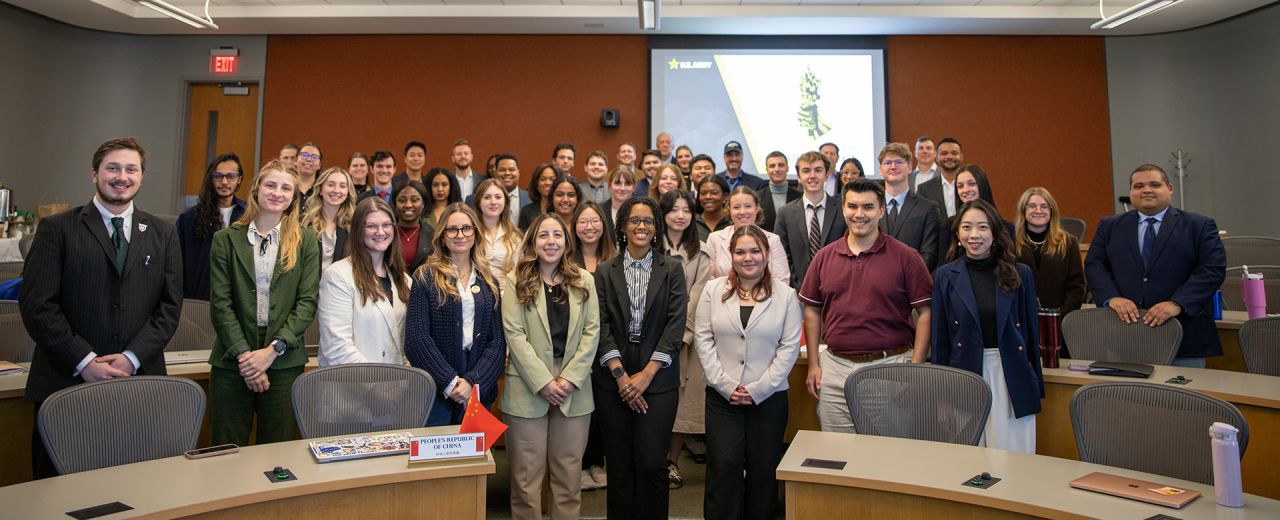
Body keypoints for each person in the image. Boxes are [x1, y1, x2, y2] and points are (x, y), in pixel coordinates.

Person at [21, 137, 183, 479]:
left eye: (131, 169)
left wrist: (132, 357)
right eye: (112, 168)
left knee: (132, 488)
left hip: (138, 383)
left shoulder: (163, 233)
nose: (121, 176)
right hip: (66, 384)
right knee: (57, 493)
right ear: (94, 174)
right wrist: (84, 361)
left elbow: (168, 309)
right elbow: (38, 306)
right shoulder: (57, 229)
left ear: (141, 177)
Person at [800, 179, 932, 433]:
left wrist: (916, 369)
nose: (859, 214)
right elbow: (812, 310)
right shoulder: (824, 257)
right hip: (835, 371)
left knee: (889, 457)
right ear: (843, 209)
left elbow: (926, 312)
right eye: (852, 206)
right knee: (838, 455)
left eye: (868, 207)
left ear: (881, 210)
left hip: (890, 369)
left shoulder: (906, 257)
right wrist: (814, 364)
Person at [208, 159, 319, 446]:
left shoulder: (306, 241)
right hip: (233, 360)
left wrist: (271, 352)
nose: (277, 193)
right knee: (226, 448)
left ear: (293, 198)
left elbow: (306, 303)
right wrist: (247, 359)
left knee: (277, 451)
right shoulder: (225, 239)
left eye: (286, 188)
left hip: (283, 361)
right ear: (257, 189)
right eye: (271, 184)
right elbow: (221, 304)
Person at [694, 225, 801, 520]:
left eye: (755, 251)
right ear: (731, 256)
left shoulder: (786, 296)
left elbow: (789, 348)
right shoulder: (713, 290)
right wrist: (725, 385)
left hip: (768, 399)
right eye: (740, 252)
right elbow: (703, 339)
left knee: (763, 471)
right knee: (723, 467)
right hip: (722, 398)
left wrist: (757, 390)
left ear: (767, 254)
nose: (748, 258)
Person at [592, 197, 688, 520]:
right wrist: (622, 377)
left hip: (658, 383)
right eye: (635, 220)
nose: (641, 226)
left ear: (657, 227)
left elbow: (675, 326)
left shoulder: (672, 269)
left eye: (648, 221)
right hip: (612, 384)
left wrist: (646, 375)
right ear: (622, 227)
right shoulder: (604, 272)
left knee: (650, 463)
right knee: (619, 466)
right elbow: (600, 325)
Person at [501, 213, 600, 520]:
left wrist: (569, 378)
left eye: (557, 235)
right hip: (527, 387)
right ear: (532, 241)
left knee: (568, 480)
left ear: (566, 241)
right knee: (525, 481)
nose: (551, 241)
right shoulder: (515, 280)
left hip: (575, 388)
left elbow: (591, 332)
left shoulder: (585, 280)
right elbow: (514, 335)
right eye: (543, 235)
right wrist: (543, 381)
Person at [1085, 164, 1227, 367]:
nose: (1146, 190)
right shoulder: (1109, 226)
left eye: (1154, 184)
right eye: (1139, 185)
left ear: (1170, 188)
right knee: (1127, 397)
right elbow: (1094, 265)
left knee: (1184, 398)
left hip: (1183, 334)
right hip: (1125, 334)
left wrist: (1177, 303)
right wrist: (1112, 297)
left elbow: (1212, 269)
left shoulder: (1199, 225)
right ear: (1131, 192)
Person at [932, 199, 1043, 453]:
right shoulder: (945, 276)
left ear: (994, 232)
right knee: (969, 461)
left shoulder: (1019, 273)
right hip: (965, 374)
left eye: (982, 227)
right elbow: (940, 341)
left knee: (1014, 459)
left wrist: (1034, 386)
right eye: (967, 227)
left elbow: (1029, 334)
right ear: (958, 234)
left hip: (1011, 375)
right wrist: (941, 398)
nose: (974, 235)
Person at [405, 204, 506, 425]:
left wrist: (472, 383)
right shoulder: (425, 278)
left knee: (476, 459)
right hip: (436, 391)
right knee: (437, 460)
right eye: (452, 230)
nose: (460, 235)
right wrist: (450, 383)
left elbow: (497, 343)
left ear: (475, 234)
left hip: (477, 390)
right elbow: (416, 338)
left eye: (466, 228)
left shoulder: (489, 281)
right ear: (442, 236)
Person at [317, 197, 411, 366]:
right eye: (371, 226)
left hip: (396, 383)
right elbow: (337, 348)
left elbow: (405, 342)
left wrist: (404, 382)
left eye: (386, 225)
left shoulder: (404, 280)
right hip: (353, 384)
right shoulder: (337, 276)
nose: (380, 232)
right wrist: (377, 389)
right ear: (358, 230)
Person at [659, 189, 712, 489]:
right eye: (673, 209)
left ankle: (672, 462)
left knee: (683, 404)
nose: (680, 215)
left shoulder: (701, 252)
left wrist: (678, 335)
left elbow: (697, 298)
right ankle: (651, 460)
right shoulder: (650, 247)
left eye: (686, 210)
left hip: (686, 341)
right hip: (650, 338)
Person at [569, 200, 616, 490]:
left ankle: (597, 462)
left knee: (603, 406)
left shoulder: (616, 259)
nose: (589, 227)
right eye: (583, 222)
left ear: (604, 225)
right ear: (574, 227)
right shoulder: (565, 260)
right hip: (577, 344)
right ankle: (581, 464)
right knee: (580, 406)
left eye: (595, 221)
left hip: (608, 342)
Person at [1013, 187, 1086, 356]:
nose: (1038, 210)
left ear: (1052, 211)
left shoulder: (1068, 242)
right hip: (1021, 322)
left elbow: (1077, 287)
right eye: (1031, 206)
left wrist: (1058, 318)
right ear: (1023, 210)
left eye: (1044, 206)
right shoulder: (1010, 241)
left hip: (1058, 325)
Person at [177, 153, 246, 300]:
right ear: (211, 178)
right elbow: (178, 263)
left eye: (231, 176)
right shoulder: (190, 218)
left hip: (237, 298)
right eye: (218, 176)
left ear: (239, 179)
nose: (224, 181)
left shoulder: (249, 215)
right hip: (198, 297)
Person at [775, 152, 847, 291]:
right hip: (797, 293)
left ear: (826, 175)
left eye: (818, 170)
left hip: (838, 290)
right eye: (806, 171)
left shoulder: (842, 210)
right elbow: (781, 256)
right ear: (799, 177)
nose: (812, 175)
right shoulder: (785, 213)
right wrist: (798, 287)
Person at [878, 143, 941, 271]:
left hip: (912, 284)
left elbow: (929, 255)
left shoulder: (928, 208)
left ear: (910, 167)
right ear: (880, 169)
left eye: (899, 162)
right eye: (888, 162)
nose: (893, 166)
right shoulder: (869, 208)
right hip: (874, 283)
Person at [706, 188, 790, 282]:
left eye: (748, 206)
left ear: (757, 208)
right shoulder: (714, 239)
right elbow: (709, 279)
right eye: (736, 207)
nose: (742, 212)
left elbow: (782, 280)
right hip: (723, 295)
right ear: (729, 210)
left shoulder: (773, 240)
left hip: (766, 295)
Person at [300, 166, 355, 272]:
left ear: (348, 193)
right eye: (331, 185)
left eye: (342, 186)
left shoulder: (352, 225)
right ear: (320, 190)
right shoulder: (305, 222)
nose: (336, 190)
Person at [473, 178, 523, 281]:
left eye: (498, 197)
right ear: (479, 202)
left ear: (505, 201)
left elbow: (519, 273)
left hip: (507, 292)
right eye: (487, 197)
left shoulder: (515, 236)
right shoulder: (470, 232)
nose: (493, 202)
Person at [392, 180, 435, 272]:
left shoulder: (433, 236)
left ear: (423, 204)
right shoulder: (385, 232)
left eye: (414, 200)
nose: (408, 205)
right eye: (401, 200)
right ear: (395, 204)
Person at [917, 137, 963, 218]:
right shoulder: (924, 189)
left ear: (961, 156)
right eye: (944, 153)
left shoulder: (972, 186)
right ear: (937, 157)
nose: (949, 156)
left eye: (954, 153)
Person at [756, 151, 800, 234]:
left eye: (781, 165)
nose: (777, 169)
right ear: (767, 170)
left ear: (787, 168)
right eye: (772, 166)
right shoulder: (757, 198)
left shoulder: (800, 197)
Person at [519, 163, 559, 230]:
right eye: (543, 179)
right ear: (536, 184)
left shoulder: (563, 209)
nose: (547, 183)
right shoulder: (527, 211)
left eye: (552, 179)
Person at [601, 166, 637, 235]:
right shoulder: (599, 210)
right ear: (609, 186)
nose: (622, 188)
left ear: (634, 187)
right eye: (617, 183)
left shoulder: (642, 211)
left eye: (627, 183)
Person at [694, 175, 731, 241]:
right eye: (703, 193)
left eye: (714, 193)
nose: (708, 197)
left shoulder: (732, 222)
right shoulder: (691, 222)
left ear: (725, 196)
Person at [296, 142, 322, 207]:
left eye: (314, 157)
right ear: (296, 160)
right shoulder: (286, 186)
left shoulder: (323, 190)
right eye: (304, 155)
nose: (309, 159)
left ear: (319, 165)